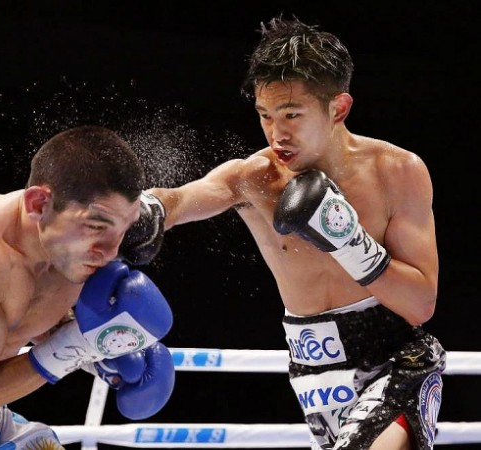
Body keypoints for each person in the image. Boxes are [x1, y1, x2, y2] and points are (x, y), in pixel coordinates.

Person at [136, 16, 446, 450]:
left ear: (338, 108)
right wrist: (143, 211)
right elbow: (180, 199)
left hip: (396, 361)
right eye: (265, 115)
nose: (276, 133)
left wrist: (348, 241)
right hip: (314, 376)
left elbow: (421, 304)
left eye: (292, 115)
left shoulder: (396, 172)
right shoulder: (254, 179)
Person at [0, 125, 175, 450]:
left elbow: (205, 192)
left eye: (123, 229)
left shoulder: (71, 246)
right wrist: (80, 344)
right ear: (39, 204)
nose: (111, 252)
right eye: (96, 226)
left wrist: (102, 349)